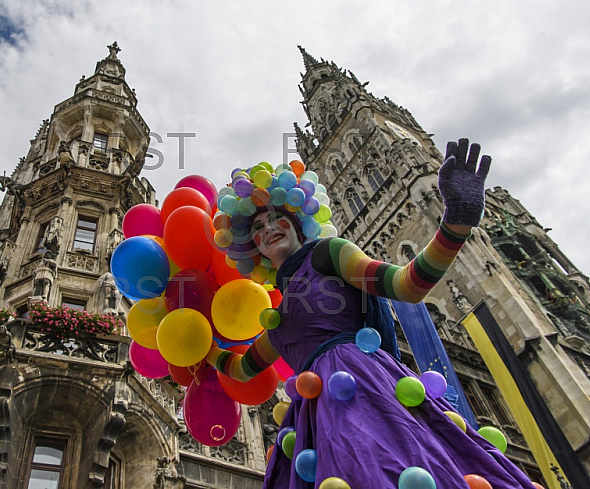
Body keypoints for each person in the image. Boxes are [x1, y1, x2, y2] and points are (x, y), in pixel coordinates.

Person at [206, 139, 536, 488]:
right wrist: (202, 353)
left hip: (366, 389)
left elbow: (406, 285)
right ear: (252, 247)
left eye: (277, 220)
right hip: (316, 417)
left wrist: (455, 224)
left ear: (299, 222)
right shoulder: (280, 314)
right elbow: (243, 370)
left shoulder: (329, 253)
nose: (268, 229)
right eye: (257, 228)